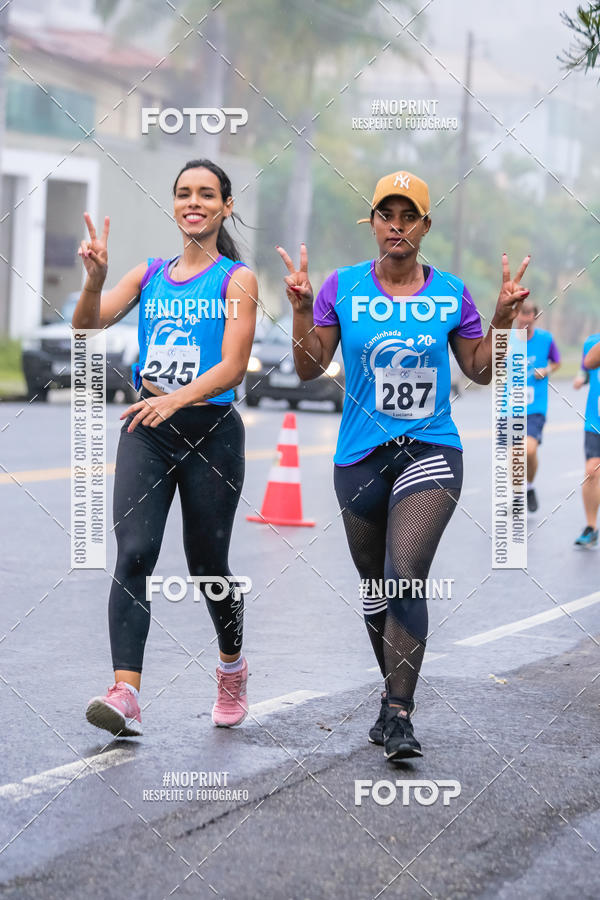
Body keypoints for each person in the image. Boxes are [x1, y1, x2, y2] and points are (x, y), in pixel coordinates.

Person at [277, 170, 530, 761]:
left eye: (408, 215)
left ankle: (399, 715)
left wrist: (499, 320)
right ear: (372, 224)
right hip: (359, 457)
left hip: (430, 451)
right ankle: (391, 696)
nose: (396, 225)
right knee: (375, 589)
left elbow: (480, 370)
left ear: (424, 226)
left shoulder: (451, 292)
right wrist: (297, 311)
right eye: (386, 214)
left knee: (403, 573)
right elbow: (309, 369)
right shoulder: (341, 287)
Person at [73, 159, 258, 737]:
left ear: (226, 206)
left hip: (210, 434)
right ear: (174, 205)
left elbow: (232, 367)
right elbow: (86, 326)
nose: (193, 202)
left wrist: (174, 400)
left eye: (207, 194)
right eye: (183, 194)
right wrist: (96, 280)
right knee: (134, 552)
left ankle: (232, 666)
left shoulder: (236, 279)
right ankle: (126, 692)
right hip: (147, 431)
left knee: (208, 567)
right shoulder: (150, 273)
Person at [512, 302, 561, 512]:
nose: (524, 320)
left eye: (528, 315)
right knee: (515, 452)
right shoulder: (506, 339)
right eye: (520, 315)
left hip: (535, 407)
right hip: (510, 406)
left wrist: (546, 369)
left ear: (535, 316)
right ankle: (517, 495)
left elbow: (557, 362)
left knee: (529, 450)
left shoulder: (545, 339)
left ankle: (529, 486)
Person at [573, 334, 600, 547]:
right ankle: (591, 527)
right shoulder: (592, 342)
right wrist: (581, 378)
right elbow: (588, 365)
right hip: (595, 420)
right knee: (591, 471)